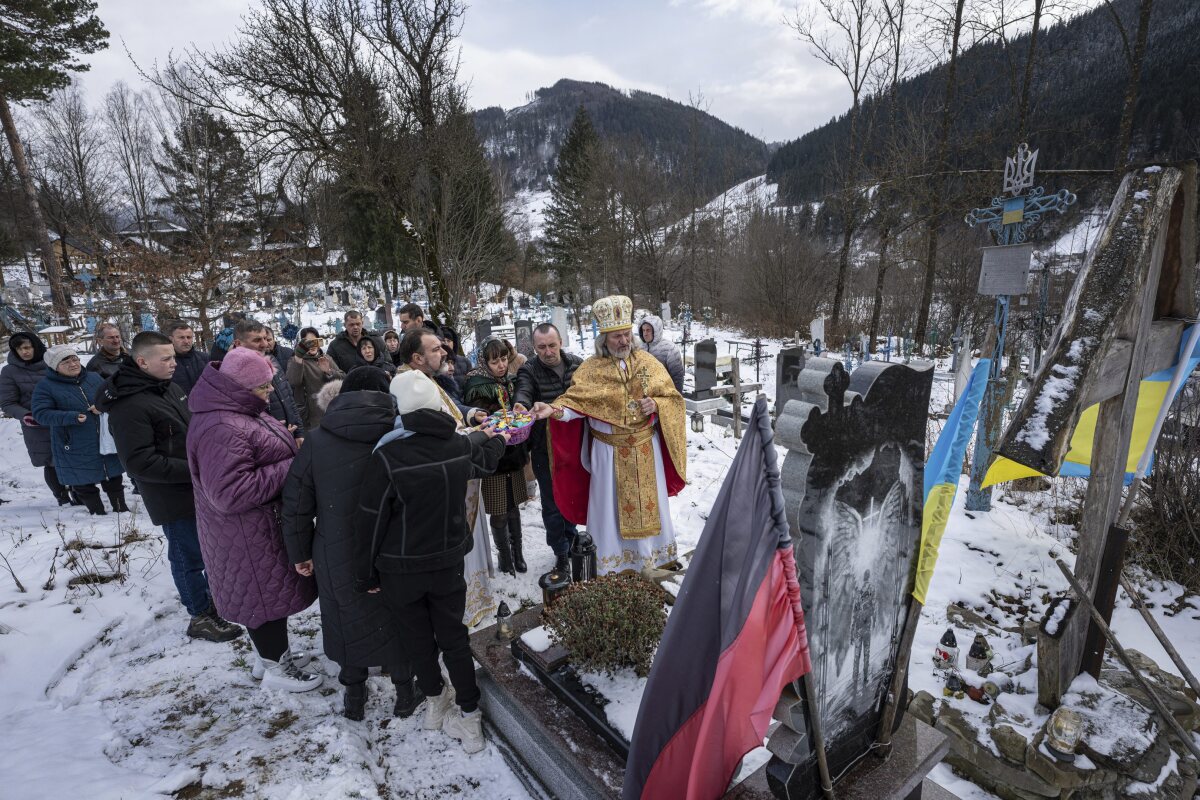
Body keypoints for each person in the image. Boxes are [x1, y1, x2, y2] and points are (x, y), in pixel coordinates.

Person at [355, 369, 508, 754]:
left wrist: (365, 573)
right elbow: (482, 454)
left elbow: (370, 521)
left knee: (417, 638)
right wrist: (500, 437)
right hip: (445, 563)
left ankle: (435, 701)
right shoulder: (455, 447)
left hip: (399, 566)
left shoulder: (386, 456)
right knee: (453, 637)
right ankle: (469, 717)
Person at [282, 366, 420, 721]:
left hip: (335, 547)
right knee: (398, 614)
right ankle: (405, 691)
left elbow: (297, 503)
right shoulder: (403, 432)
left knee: (344, 614)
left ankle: (354, 694)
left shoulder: (317, 439)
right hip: (395, 544)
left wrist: (299, 552)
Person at [186, 347, 321, 692]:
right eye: (263, 387)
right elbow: (230, 492)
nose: (270, 391)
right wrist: (294, 465)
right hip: (245, 533)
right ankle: (278, 669)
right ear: (242, 387)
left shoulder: (237, 410)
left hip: (257, 527)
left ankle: (272, 658)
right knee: (261, 599)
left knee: (269, 596)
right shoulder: (222, 424)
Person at [95, 331, 241, 642]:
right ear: (143, 361)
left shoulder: (168, 388)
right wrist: (198, 470)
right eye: (167, 358)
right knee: (188, 556)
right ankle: (199, 615)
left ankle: (211, 601)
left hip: (197, 488)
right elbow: (139, 462)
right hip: (171, 495)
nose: (174, 363)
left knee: (207, 551)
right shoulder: (129, 405)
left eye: (174, 356)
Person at [530, 295, 686, 574]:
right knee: (609, 510)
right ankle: (613, 565)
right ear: (604, 340)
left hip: (645, 451)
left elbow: (671, 398)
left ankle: (653, 559)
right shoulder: (591, 370)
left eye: (627, 335)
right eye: (616, 337)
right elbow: (575, 404)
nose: (624, 342)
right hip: (609, 454)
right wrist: (552, 411)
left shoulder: (648, 363)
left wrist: (656, 405)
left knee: (651, 506)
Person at [513, 324, 583, 574]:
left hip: (575, 444)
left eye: (552, 345)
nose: (548, 351)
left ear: (561, 342)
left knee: (573, 494)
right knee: (552, 501)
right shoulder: (529, 369)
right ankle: (561, 551)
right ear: (534, 348)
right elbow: (523, 389)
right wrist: (521, 404)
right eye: (541, 347)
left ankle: (573, 536)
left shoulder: (577, 364)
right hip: (546, 446)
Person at [32, 345, 128, 515]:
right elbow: (41, 414)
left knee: (113, 476)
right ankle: (97, 513)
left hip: (103, 438)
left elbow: (110, 396)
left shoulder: (93, 377)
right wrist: (71, 417)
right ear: (54, 366)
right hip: (72, 442)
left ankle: (121, 510)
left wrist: (102, 406)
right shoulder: (45, 386)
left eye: (74, 359)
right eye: (66, 361)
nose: (73, 364)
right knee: (83, 481)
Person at [463, 339, 531, 575]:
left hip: (514, 453)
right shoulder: (476, 386)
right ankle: (504, 555)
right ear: (485, 362)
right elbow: (482, 421)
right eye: (495, 361)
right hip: (494, 458)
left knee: (514, 507)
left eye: (504, 359)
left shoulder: (510, 382)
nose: (501, 365)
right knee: (500, 510)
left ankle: (518, 552)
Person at [1, 332, 73, 504]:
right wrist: (25, 415)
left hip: (62, 418)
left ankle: (80, 492)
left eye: (27, 347)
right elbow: (7, 402)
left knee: (72, 457)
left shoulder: (52, 363)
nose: (24, 352)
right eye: (19, 349)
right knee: (51, 460)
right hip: (36, 423)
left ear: (36, 346)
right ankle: (61, 496)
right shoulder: (10, 371)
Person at [231, 319, 304, 442]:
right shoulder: (234, 373)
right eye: (257, 340)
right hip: (267, 442)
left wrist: (299, 432)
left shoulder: (271, 360)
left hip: (289, 435)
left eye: (265, 338)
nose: (265, 344)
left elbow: (288, 399)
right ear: (238, 343)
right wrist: (273, 434)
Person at [286, 329, 344, 431]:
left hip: (331, 411)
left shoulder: (326, 358)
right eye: (308, 342)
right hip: (309, 415)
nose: (312, 345)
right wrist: (298, 358)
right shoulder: (295, 361)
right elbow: (293, 381)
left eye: (315, 341)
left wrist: (329, 371)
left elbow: (343, 378)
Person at [637, 314, 685, 393]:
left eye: (648, 330)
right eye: (643, 330)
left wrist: (675, 398)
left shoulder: (670, 349)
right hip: (642, 394)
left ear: (656, 330)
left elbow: (677, 377)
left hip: (664, 394)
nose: (645, 333)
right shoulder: (638, 348)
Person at [166, 320, 210, 395]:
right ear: (171, 339)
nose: (186, 341)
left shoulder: (205, 358)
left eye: (189, 337)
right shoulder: (165, 363)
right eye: (181, 337)